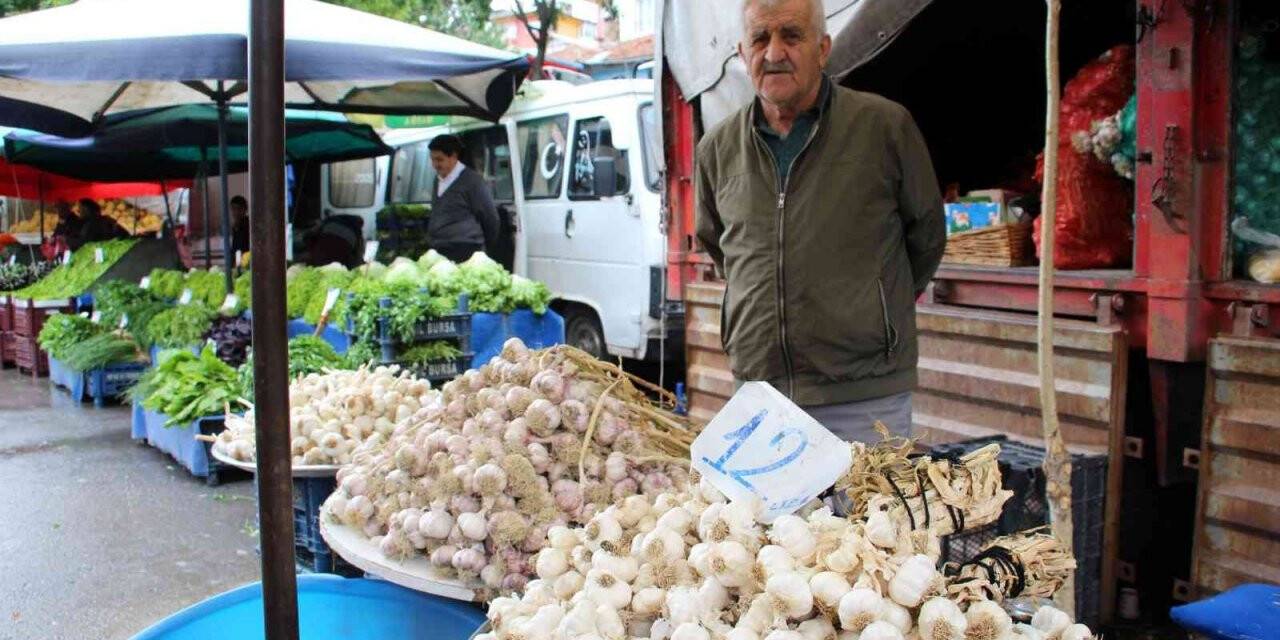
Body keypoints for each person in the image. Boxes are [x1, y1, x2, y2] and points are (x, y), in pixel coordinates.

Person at [694, 0, 946, 443]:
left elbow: (925, 238)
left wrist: (872, 309)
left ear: (823, 48)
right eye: (759, 38)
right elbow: (718, 243)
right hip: (762, 394)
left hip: (864, 395)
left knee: (870, 515)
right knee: (765, 515)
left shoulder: (884, 127)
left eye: (791, 36)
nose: (773, 53)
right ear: (742, 50)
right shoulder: (717, 148)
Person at [427, 134, 500, 263]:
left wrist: (483, 247)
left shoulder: (472, 181)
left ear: (454, 156)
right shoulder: (436, 181)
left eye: (439, 160)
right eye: (432, 159)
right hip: (440, 250)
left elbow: (490, 218)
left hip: (466, 251)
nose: (435, 165)